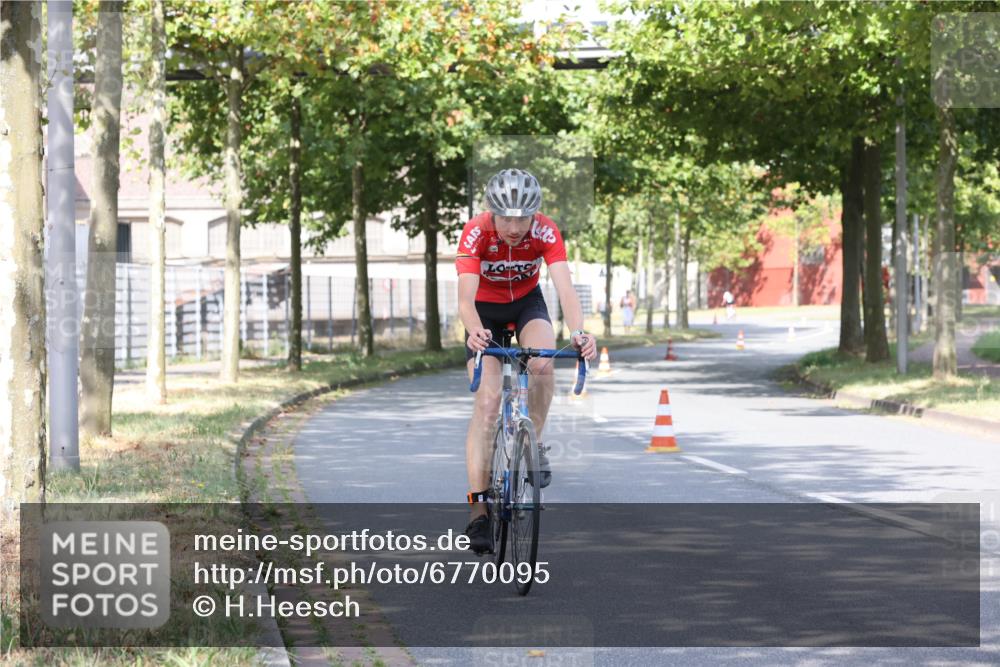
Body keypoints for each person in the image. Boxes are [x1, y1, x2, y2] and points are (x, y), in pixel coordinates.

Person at [456, 168, 598, 554]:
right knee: (486, 404)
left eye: (524, 217)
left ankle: (532, 442)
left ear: (535, 214)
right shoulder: (476, 232)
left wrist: (580, 331)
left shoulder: (546, 232)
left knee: (543, 365)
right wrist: (473, 330)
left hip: (525, 305)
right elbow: (465, 299)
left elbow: (565, 288)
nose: (516, 227)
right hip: (482, 314)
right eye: (507, 218)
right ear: (492, 213)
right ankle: (477, 510)